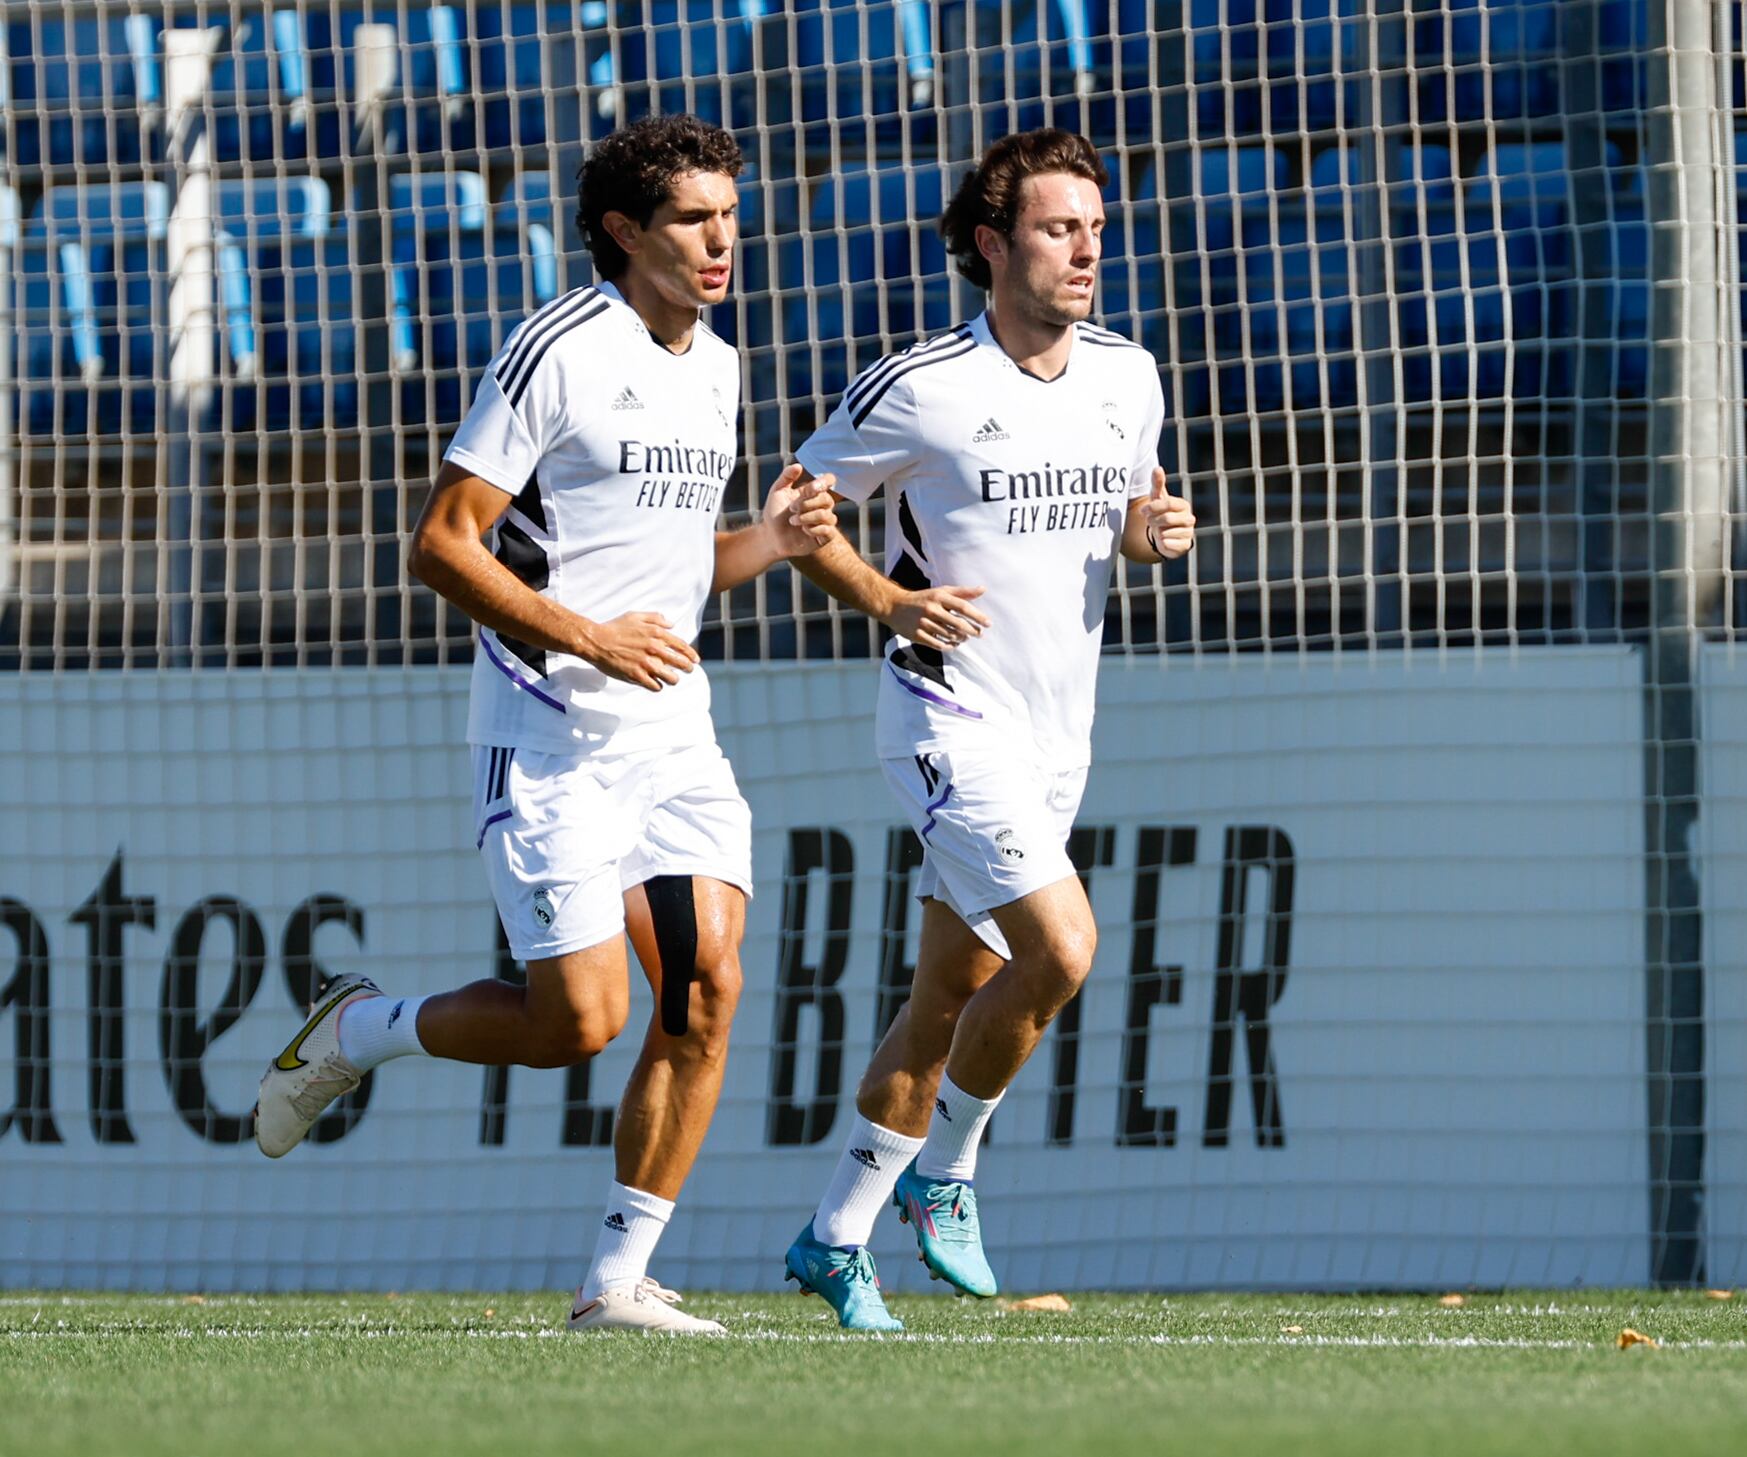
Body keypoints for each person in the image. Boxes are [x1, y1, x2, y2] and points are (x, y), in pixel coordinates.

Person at [252, 112, 836, 1335]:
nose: (722, 237)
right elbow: (440, 543)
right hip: (550, 733)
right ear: (624, 231)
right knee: (577, 1020)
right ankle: (361, 1030)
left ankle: (616, 1282)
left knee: (706, 988)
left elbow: (664, 580)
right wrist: (586, 638)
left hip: (672, 733)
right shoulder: (557, 349)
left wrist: (771, 543)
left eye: (729, 212)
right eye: (692, 216)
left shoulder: (717, 363)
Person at [780, 128, 1197, 1331]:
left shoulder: (1128, 372)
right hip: (941, 715)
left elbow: (1127, 516)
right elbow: (796, 507)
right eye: (1059, 228)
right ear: (990, 244)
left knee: (942, 1000)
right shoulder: (922, 386)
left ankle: (832, 1236)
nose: (1087, 250)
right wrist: (889, 599)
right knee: (1061, 952)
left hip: (1057, 732)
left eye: (1096, 228)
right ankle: (947, 1174)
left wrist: (1153, 535)